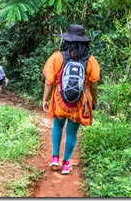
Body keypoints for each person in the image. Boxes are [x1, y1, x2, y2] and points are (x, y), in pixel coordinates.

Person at [42, 24, 100, 174]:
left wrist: (45, 99)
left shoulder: (58, 57)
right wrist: (94, 101)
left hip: (60, 99)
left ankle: (55, 157)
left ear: (67, 40)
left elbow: (49, 81)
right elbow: (93, 84)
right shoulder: (90, 60)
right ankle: (66, 163)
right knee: (72, 133)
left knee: (58, 126)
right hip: (79, 102)